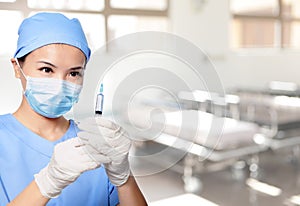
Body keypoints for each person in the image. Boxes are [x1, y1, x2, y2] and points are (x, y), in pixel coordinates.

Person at [0, 12, 147, 206]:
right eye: (47, 69)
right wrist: (47, 182)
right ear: (17, 68)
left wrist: (124, 178)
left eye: (74, 73)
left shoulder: (95, 142)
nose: (60, 84)